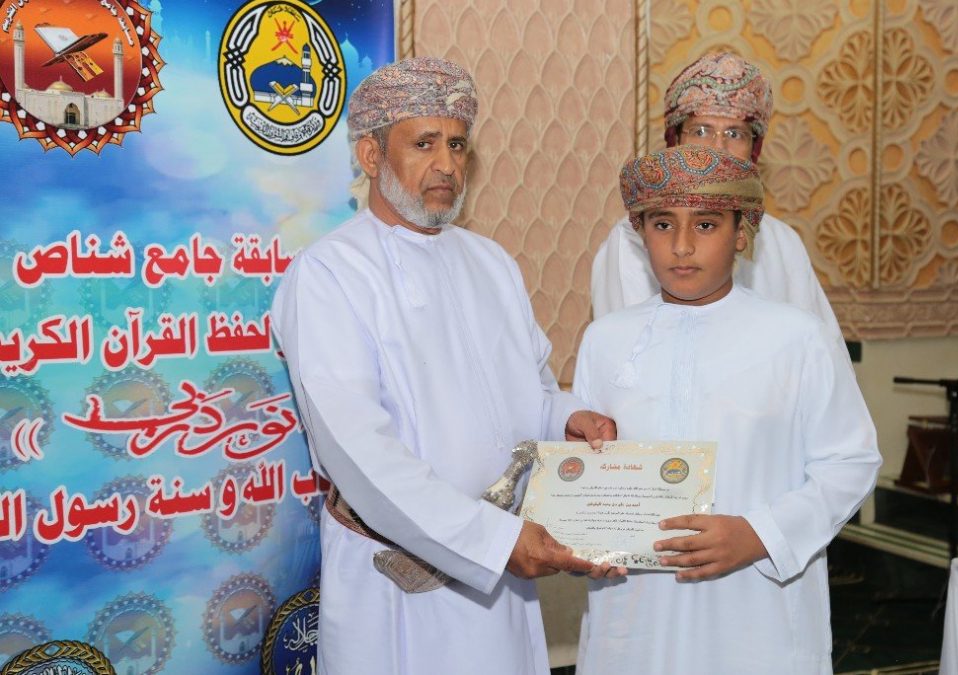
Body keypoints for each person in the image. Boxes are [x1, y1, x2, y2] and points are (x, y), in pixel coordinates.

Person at [271, 56, 617, 675]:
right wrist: (492, 541)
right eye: (424, 143)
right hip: (398, 585)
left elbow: (532, 391)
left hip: (504, 568)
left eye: (457, 145)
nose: (447, 165)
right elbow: (361, 456)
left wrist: (568, 419)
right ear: (372, 155)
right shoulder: (327, 274)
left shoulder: (491, 262)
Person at [572, 145, 880, 674]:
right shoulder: (605, 340)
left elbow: (851, 461)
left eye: (706, 225)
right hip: (638, 610)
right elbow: (591, 463)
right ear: (640, 232)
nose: (682, 245)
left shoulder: (797, 338)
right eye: (662, 224)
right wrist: (588, 536)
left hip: (756, 605)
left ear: (741, 234)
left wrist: (759, 535)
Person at [591, 52, 843, 346]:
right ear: (675, 141)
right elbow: (626, 353)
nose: (718, 148)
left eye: (735, 134)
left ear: (754, 150)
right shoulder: (632, 241)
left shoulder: (782, 241)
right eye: (701, 131)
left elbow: (819, 350)